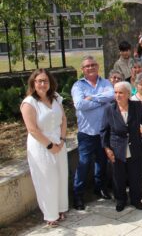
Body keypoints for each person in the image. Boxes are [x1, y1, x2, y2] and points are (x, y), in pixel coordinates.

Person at [21, 69, 68, 227]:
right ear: (33, 83)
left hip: (59, 143)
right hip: (41, 146)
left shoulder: (55, 98)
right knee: (47, 180)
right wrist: (50, 146)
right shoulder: (29, 103)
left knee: (61, 177)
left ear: (50, 82)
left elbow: (63, 119)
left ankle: (60, 208)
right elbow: (32, 129)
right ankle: (50, 215)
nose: (42, 84)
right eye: (39, 81)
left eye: (45, 81)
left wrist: (61, 140)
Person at [71, 56, 114, 210]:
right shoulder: (78, 86)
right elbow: (80, 104)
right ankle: (78, 195)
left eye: (93, 65)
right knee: (83, 164)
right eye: (87, 66)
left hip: (103, 132)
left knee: (102, 162)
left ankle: (100, 188)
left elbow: (112, 95)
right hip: (87, 133)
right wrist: (101, 101)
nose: (90, 68)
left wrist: (93, 98)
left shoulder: (105, 83)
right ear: (82, 70)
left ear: (97, 67)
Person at [101, 81, 142, 212]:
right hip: (116, 148)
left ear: (128, 93)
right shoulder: (109, 108)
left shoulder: (137, 106)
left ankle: (136, 199)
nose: (118, 95)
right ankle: (121, 200)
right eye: (115, 92)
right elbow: (104, 130)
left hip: (135, 146)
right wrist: (107, 148)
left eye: (121, 92)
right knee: (118, 176)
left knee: (135, 175)